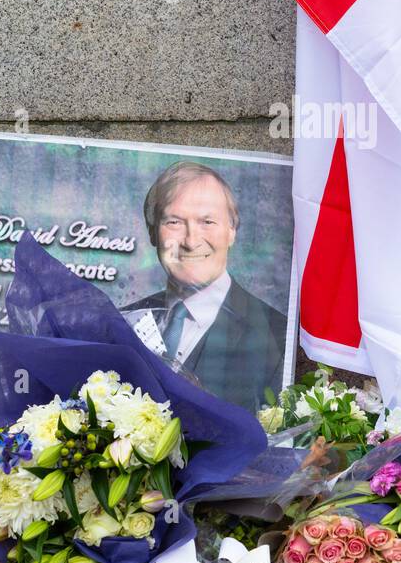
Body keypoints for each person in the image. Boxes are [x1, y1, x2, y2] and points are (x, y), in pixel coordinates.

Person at [123, 161, 287, 413]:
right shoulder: (122, 322)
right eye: (174, 222)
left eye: (207, 222)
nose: (191, 241)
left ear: (232, 231)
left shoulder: (277, 338)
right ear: (153, 232)